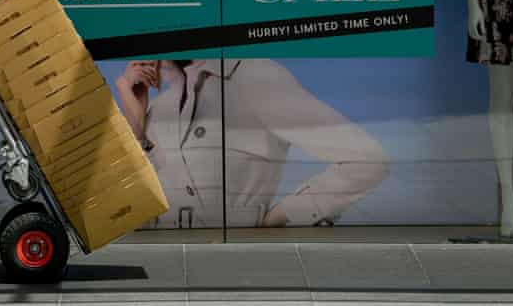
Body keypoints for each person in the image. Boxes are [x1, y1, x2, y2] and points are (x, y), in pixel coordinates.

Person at [116, 59, 388, 229]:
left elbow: (365, 160)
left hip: (233, 257)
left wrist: (283, 216)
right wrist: (136, 129)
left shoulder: (255, 76)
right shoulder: (160, 103)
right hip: (164, 255)